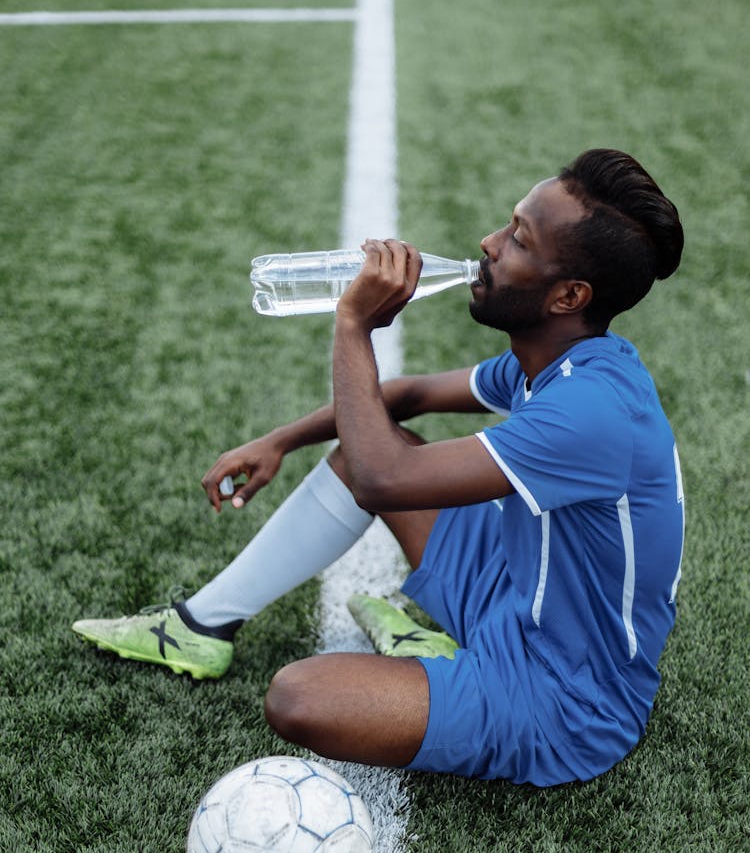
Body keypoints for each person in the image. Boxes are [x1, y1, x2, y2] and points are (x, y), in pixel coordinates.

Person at [73, 148, 686, 786]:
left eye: (518, 240)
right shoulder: (562, 360)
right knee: (373, 442)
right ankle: (202, 624)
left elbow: (381, 480)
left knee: (298, 698)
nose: (490, 242)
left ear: (568, 295)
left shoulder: (592, 409)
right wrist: (280, 440)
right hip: (513, 591)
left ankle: (439, 659)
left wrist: (352, 325)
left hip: (564, 697)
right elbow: (407, 397)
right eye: (508, 224)